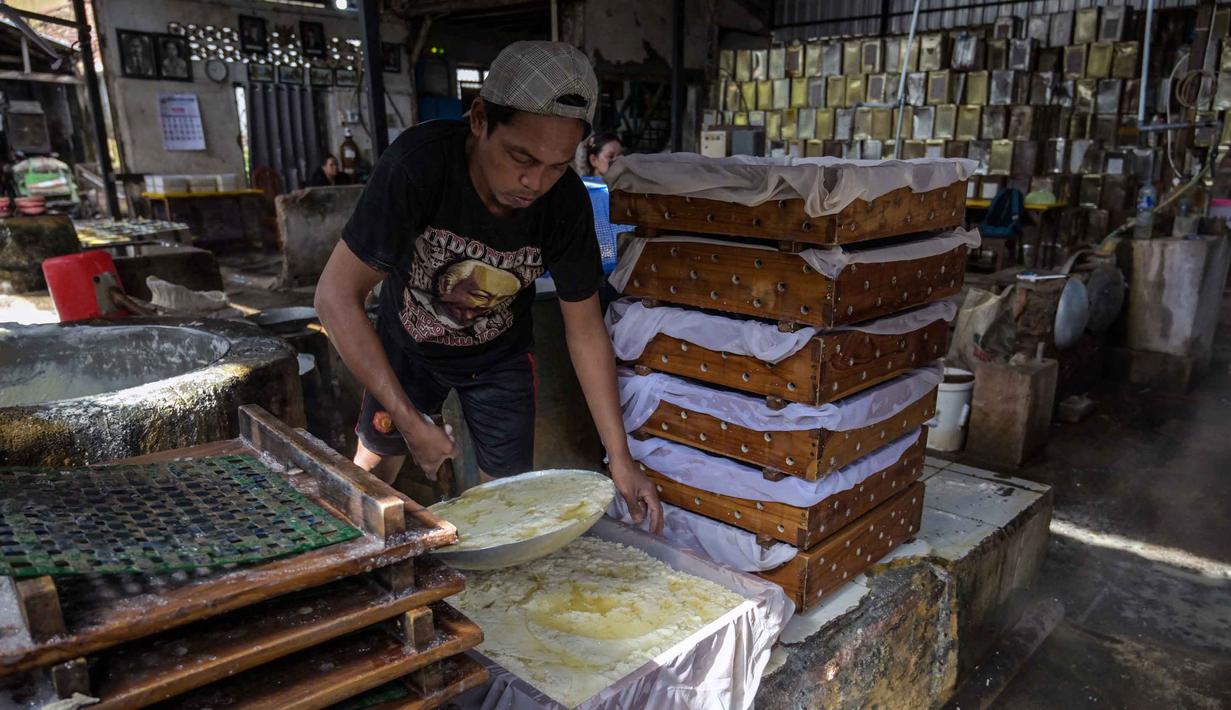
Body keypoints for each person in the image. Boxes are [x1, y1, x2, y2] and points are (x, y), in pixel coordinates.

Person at [314, 41, 663, 532]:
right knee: (370, 486)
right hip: (407, 346)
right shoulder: (419, 165)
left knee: (506, 507)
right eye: (521, 155)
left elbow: (585, 330)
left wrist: (620, 459)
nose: (534, 182)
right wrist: (410, 421)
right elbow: (334, 297)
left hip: (498, 359)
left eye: (557, 165)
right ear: (479, 118)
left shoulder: (564, 204)